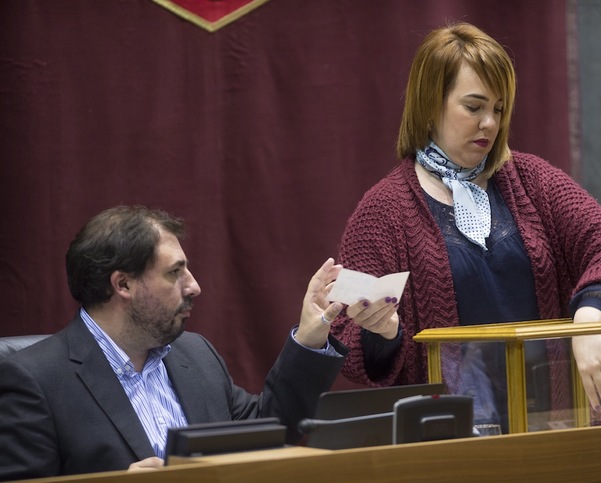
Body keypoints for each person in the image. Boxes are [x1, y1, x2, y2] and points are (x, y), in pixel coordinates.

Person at [330, 22, 601, 430]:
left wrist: (587, 321)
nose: (490, 124)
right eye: (474, 107)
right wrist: (383, 333)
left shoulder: (532, 180)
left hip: (555, 425)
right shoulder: (383, 211)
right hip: (451, 442)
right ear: (430, 105)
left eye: (498, 109)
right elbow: (351, 344)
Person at [0, 205, 350, 480]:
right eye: (174, 272)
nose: (194, 286)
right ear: (123, 284)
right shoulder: (33, 381)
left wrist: (310, 334)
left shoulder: (195, 354)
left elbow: (271, 431)